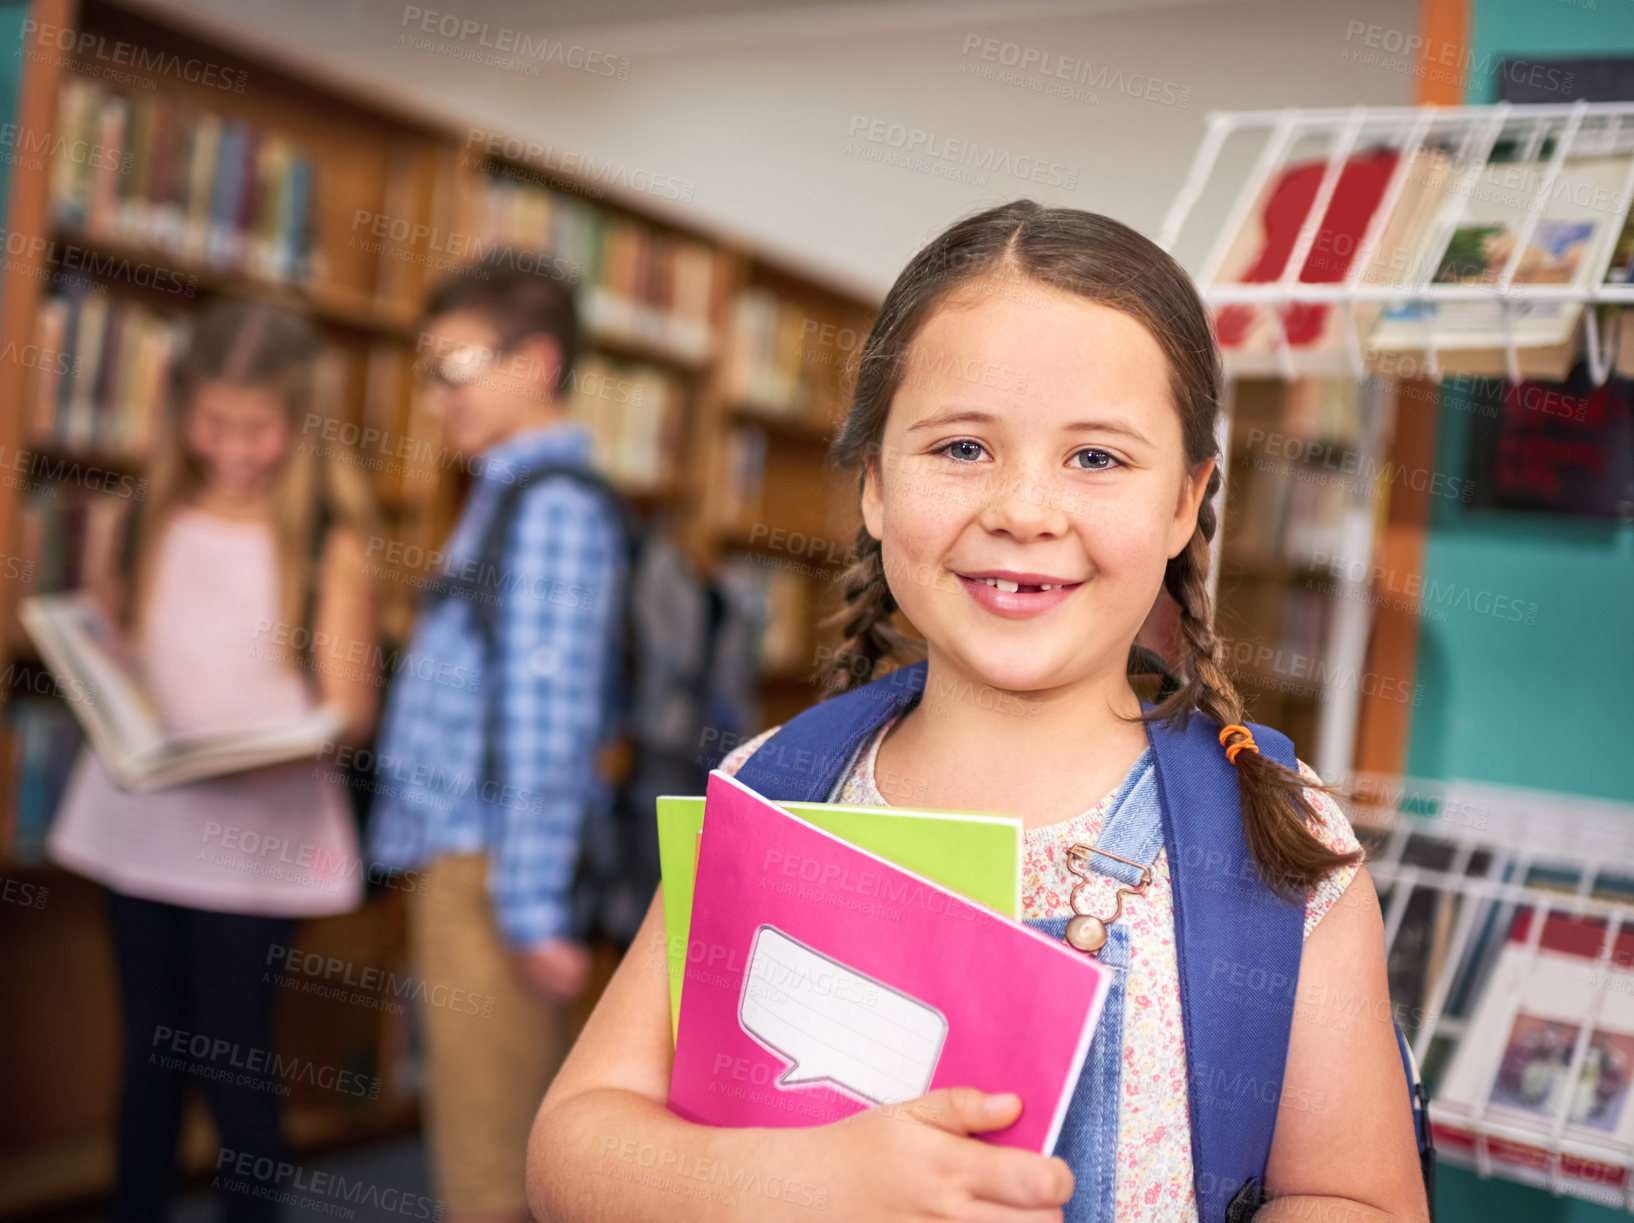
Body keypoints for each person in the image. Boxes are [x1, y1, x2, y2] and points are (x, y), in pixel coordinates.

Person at [524, 202, 1430, 1223]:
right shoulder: (776, 787)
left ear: (1185, 501)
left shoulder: (1274, 837)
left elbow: (1358, 1197)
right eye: (961, 448)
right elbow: (573, 1146)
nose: (1022, 508)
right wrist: (807, 1182)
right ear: (873, 483)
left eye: (1095, 458)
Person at [48, 299, 379, 1223]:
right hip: (145, 825)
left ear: (299, 424)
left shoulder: (326, 543)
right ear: (180, 411)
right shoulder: (140, 514)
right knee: (148, 1051)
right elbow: (125, 652)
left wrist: (274, 739)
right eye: (213, 424)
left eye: (259, 429)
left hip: (257, 845)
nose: (234, 448)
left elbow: (349, 708)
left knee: (236, 1051)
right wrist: (98, 662)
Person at [366, 252, 626, 1223]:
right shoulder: (503, 491)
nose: (436, 396)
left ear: (538, 362)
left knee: (488, 1169)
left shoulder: (549, 506)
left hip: (492, 875)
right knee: (488, 1146)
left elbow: (546, 722)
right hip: (472, 858)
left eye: (455, 366)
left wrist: (528, 906)